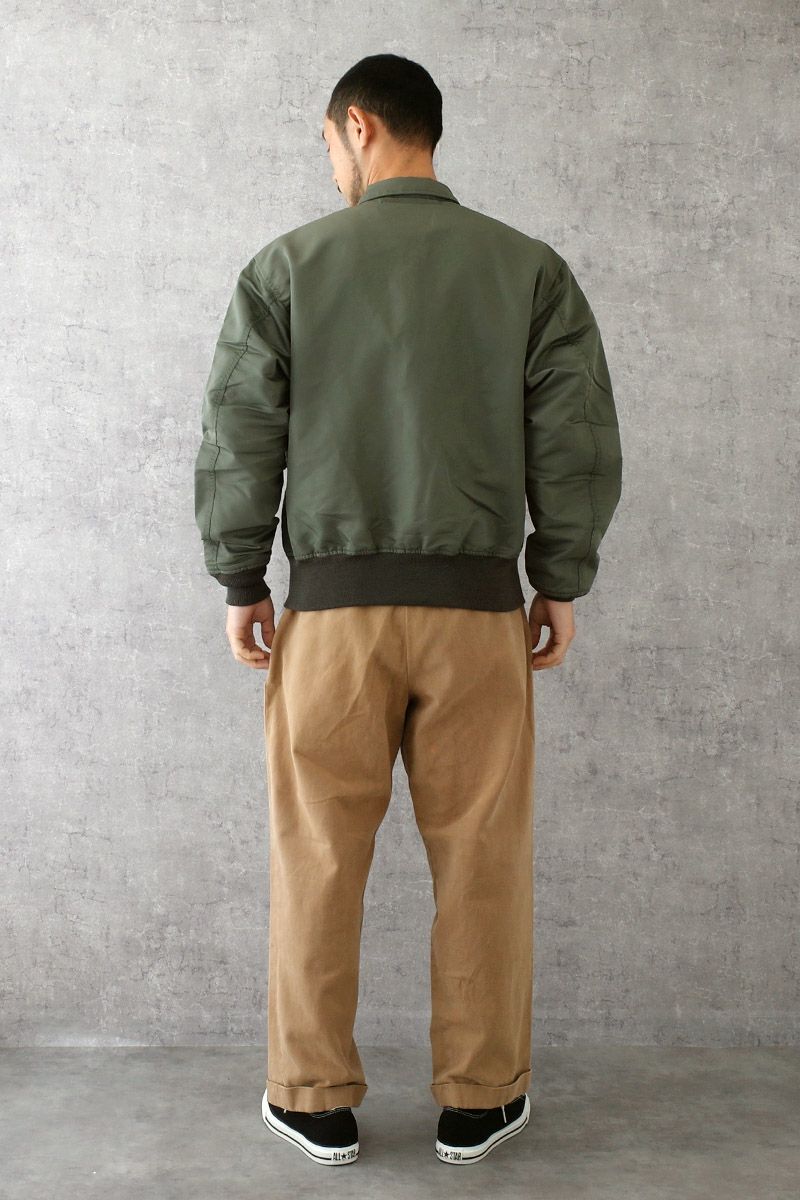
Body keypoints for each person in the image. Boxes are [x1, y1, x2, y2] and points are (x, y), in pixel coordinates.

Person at [194, 53, 623, 1168]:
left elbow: (240, 432)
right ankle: (479, 1101)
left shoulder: (287, 267)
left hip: (330, 621)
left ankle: (312, 1098)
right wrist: (559, 580)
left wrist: (242, 580)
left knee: (316, 856)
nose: (330, 166)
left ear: (359, 126)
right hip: (477, 616)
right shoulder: (527, 270)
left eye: (327, 144)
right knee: (483, 857)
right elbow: (572, 437)